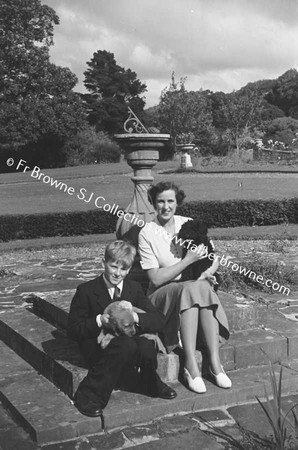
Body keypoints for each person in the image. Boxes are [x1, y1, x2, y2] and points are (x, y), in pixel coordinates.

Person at [138, 181, 232, 394]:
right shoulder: (147, 232)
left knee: (199, 287)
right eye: (160, 201)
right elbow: (155, 278)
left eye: (170, 201)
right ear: (153, 203)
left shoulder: (188, 223)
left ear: (177, 202)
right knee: (193, 289)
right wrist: (188, 261)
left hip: (191, 288)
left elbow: (213, 255)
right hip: (162, 295)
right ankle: (191, 364)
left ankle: (215, 364)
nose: (165, 206)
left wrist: (207, 273)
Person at [67, 240, 177, 418]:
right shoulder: (86, 290)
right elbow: (72, 330)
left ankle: (149, 381)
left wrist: (134, 315)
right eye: (113, 267)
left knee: (146, 345)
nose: (118, 274)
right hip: (99, 346)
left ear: (129, 269)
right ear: (103, 263)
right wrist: (99, 320)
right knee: (127, 345)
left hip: (128, 342)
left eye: (124, 269)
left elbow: (158, 320)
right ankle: (87, 394)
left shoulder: (133, 289)